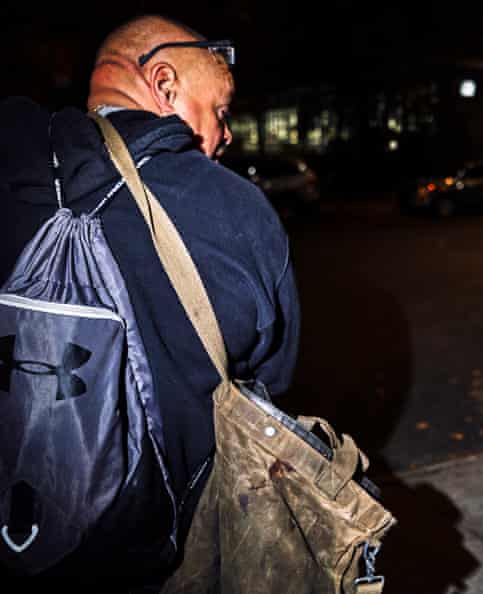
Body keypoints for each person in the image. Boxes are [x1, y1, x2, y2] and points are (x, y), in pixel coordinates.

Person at [0, 14, 299, 590]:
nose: (227, 134)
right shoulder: (234, 208)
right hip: (156, 555)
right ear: (163, 85)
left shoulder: (11, 165)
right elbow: (269, 380)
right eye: (221, 111)